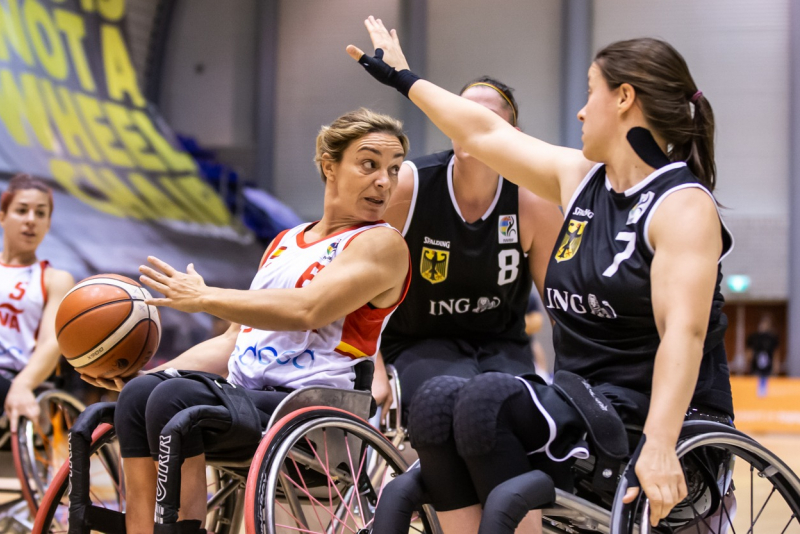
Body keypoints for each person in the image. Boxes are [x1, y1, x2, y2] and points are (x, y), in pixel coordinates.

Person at [348, 18, 734, 532]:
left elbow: (684, 335)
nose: (579, 109)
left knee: (487, 400)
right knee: (438, 398)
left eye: (590, 93)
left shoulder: (682, 205)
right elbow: (483, 132)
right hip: (581, 403)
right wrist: (403, 76)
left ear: (623, 99)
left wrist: (661, 443)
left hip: (654, 419)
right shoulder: (579, 180)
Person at [85, 108, 412, 534]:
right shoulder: (284, 243)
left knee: (175, 399)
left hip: (310, 409)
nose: (385, 181)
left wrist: (204, 297)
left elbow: (307, 310)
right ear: (329, 166)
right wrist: (151, 376)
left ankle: (184, 528)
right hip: (246, 398)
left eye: (394, 168)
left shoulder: (382, 244)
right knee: (143, 394)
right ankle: (141, 527)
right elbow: (233, 342)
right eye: (369, 164)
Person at [371, 76, 562, 418]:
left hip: (502, 348)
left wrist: (579, 379)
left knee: (523, 414)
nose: (470, 125)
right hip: (418, 345)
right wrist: (373, 368)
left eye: (484, 118)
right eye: (461, 115)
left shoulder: (532, 199)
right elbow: (355, 284)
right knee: (453, 405)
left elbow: (562, 308)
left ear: (512, 136)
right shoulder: (409, 187)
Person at [0, 173, 75, 433]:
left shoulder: (55, 279)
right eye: (22, 210)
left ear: (48, 224)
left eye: (40, 213)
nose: (31, 220)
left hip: (16, 378)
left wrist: (22, 385)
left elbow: (52, 343)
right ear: (2, 216)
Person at [747, 313, 779, 397]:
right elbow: (749, 353)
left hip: (768, 369)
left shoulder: (772, 338)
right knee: (755, 390)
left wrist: (775, 369)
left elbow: (776, 354)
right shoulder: (754, 337)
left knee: (765, 391)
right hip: (756, 368)